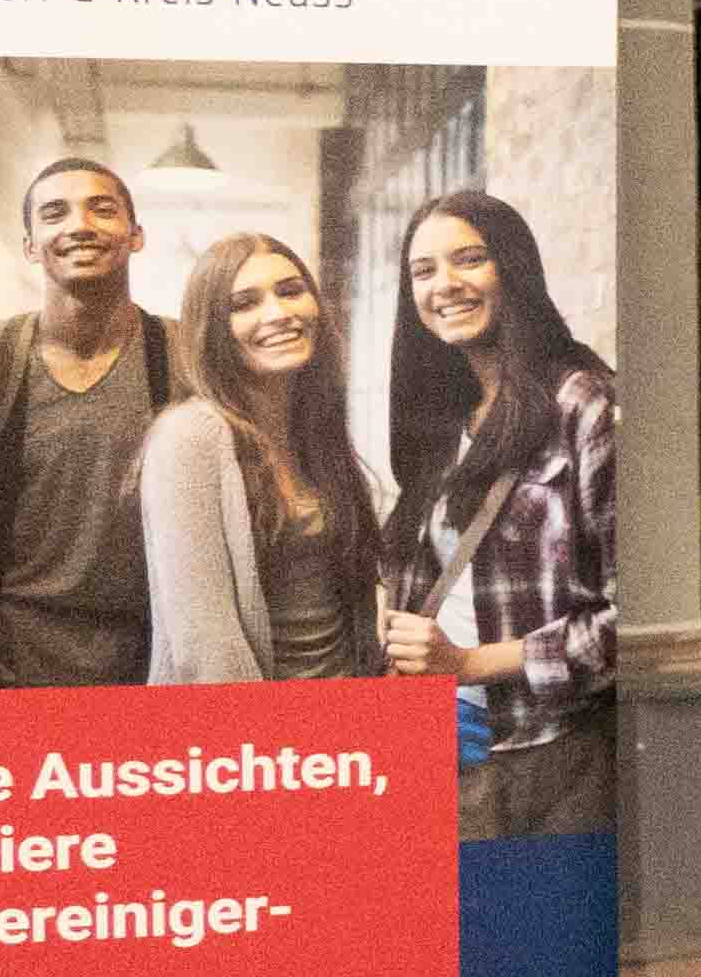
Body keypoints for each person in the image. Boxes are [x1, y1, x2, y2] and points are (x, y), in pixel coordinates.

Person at [375, 193, 619, 833]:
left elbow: (630, 620)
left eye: (469, 260)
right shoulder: (446, 413)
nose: (445, 285)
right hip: (441, 748)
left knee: (531, 931)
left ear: (512, 269)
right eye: (423, 271)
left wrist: (471, 663)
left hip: (545, 754)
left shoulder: (584, 407)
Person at [0, 155, 177, 689]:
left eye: (102, 209)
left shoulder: (183, 358)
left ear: (136, 234)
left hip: (148, 667)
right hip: (9, 670)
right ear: (29, 244)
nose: (80, 225)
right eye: (55, 213)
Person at [139, 235, 382, 684]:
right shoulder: (189, 436)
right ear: (211, 329)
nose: (278, 313)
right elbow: (204, 647)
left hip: (348, 728)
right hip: (254, 741)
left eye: (291, 291)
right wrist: (270, 745)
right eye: (245, 303)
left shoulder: (315, 428)